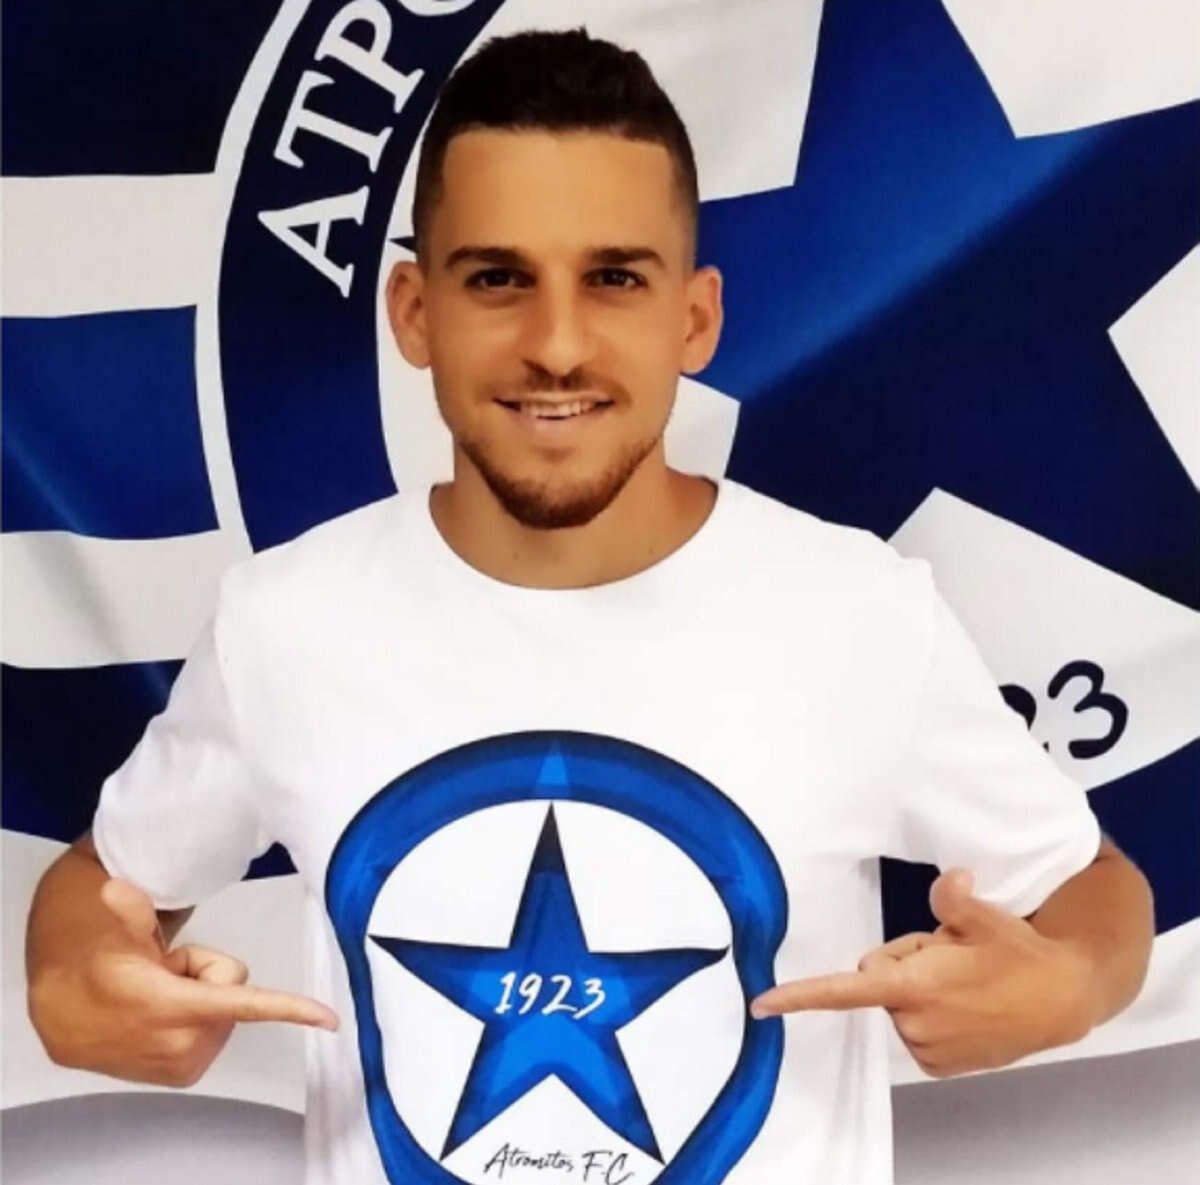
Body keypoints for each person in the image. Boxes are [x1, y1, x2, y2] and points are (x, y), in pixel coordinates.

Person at [27, 27, 1152, 1185]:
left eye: (614, 278)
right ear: (414, 310)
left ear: (694, 319)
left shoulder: (861, 613)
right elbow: (102, 890)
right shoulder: (286, 622)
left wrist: (1066, 984)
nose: (557, 346)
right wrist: (72, 981)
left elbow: (1091, 889)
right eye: (497, 279)